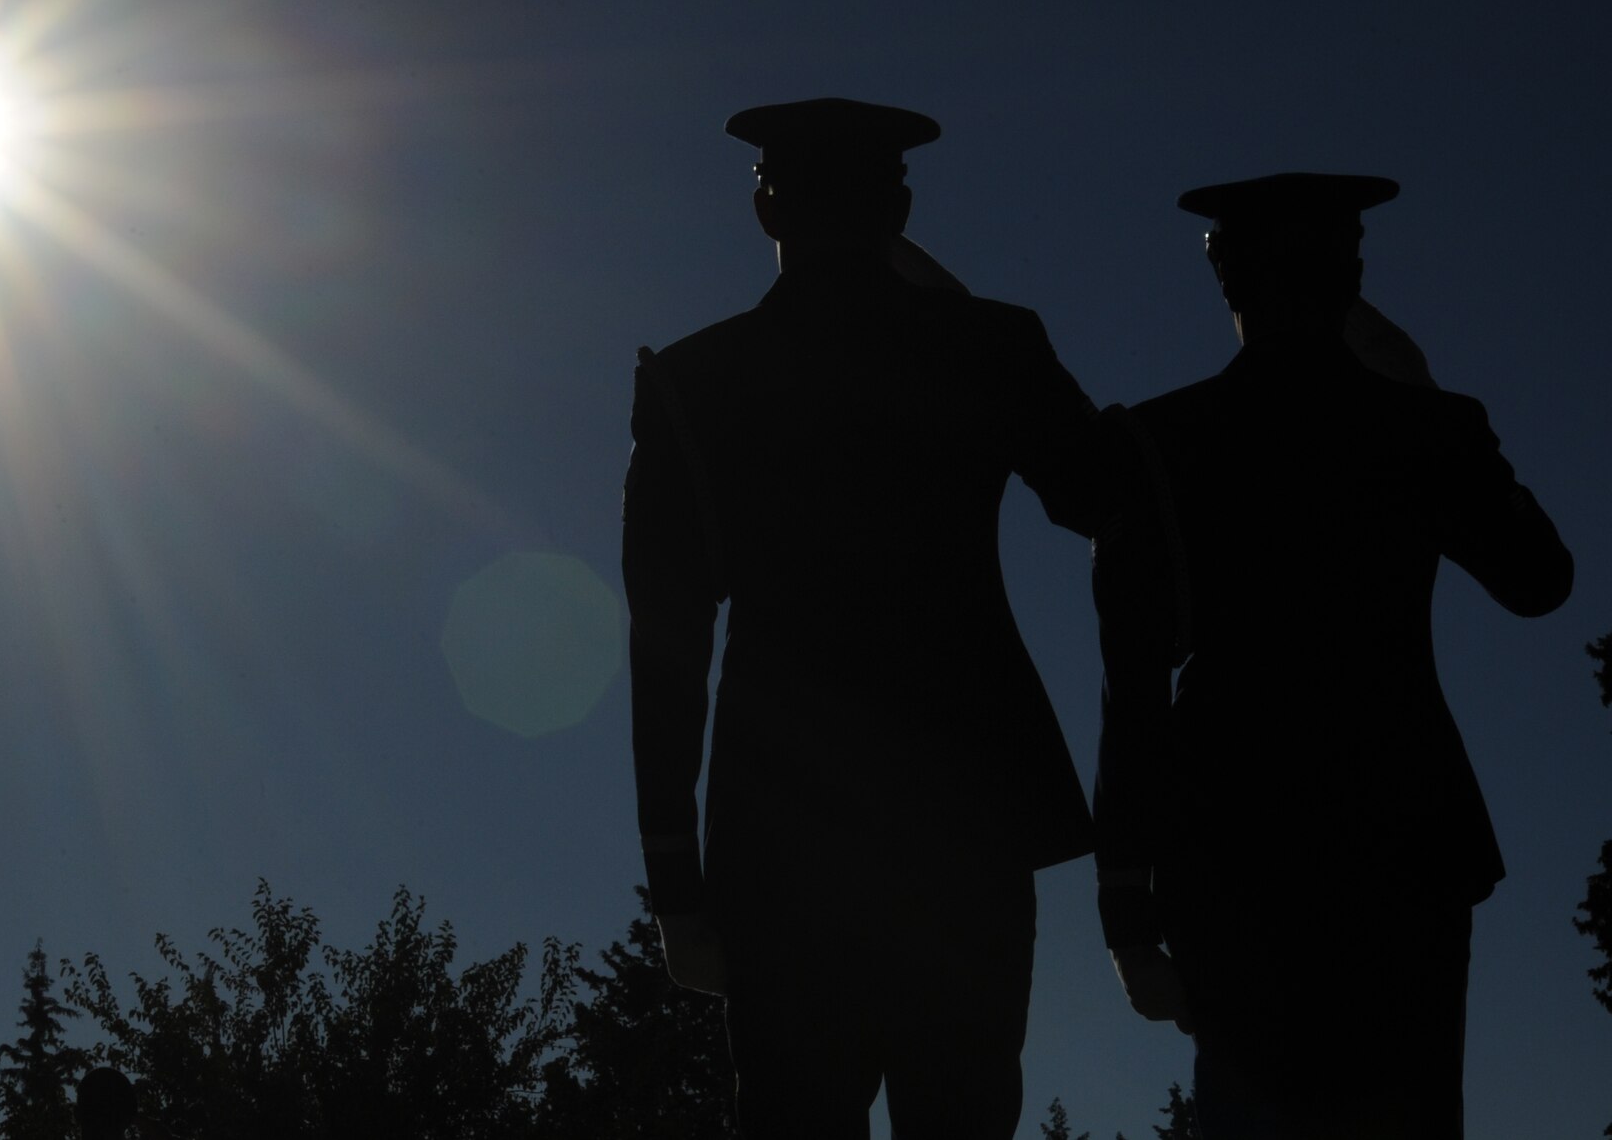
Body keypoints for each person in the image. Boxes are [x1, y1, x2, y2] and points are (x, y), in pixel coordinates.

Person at [622, 97, 1101, 1138]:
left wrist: (673, 867)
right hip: (961, 809)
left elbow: (665, 639)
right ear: (898, 206)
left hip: (777, 824)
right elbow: (1101, 499)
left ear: (764, 210)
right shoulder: (989, 345)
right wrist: (968, 318)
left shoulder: (692, 381)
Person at [1090, 172, 1573, 1139]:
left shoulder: (1155, 441)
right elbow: (1539, 578)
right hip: (1405, 837)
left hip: (1233, 842)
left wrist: (1127, 913)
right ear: (1353, 277)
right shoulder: (1423, 429)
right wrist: (1424, 389)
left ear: (1226, 278)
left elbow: (1134, 693)